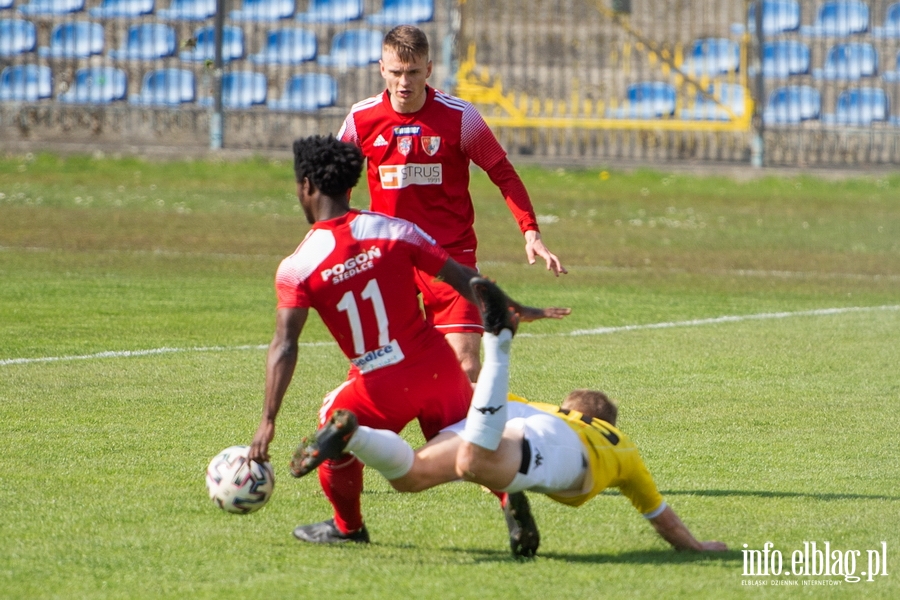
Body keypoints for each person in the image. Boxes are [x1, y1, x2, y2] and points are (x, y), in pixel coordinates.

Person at [247, 135, 570, 547]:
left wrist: (268, 420)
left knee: (335, 428)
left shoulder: (297, 267)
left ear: (306, 186)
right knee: (469, 442)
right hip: (438, 367)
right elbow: (461, 277)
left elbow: (285, 345)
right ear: (351, 187)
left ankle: (348, 528)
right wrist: (512, 306)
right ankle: (508, 496)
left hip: (380, 384)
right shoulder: (396, 230)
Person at [291, 278, 728, 557]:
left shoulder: (548, 408)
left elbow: (482, 399)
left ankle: (355, 434)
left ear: (572, 408)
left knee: (416, 474)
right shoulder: (624, 449)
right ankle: (498, 342)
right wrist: (698, 547)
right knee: (453, 467)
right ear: (603, 419)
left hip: (522, 427)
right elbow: (662, 516)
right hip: (561, 458)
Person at [337, 24, 567, 383]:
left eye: (413, 72)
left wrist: (531, 232)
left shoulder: (461, 117)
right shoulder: (360, 119)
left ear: (429, 69)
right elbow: (336, 183)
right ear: (382, 68)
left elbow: (502, 172)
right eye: (396, 72)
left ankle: (460, 440)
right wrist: (336, 238)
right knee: (375, 367)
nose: (403, 82)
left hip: (451, 255)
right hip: (388, 255)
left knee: (465, 365)